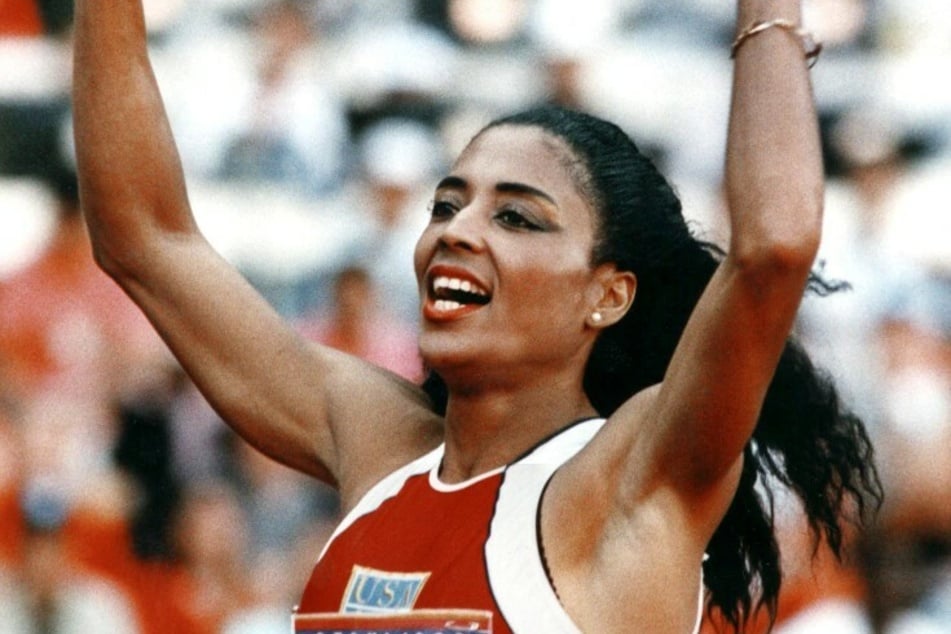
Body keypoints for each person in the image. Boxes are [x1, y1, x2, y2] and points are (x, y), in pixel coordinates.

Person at [71, 1, 882, 632]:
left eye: (516, 217)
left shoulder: (633, 471)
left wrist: (765, 17)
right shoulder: (379, 445)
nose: (456, 230)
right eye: (446, 204)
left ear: (608, 293)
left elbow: (773, 249)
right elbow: (145, 236)